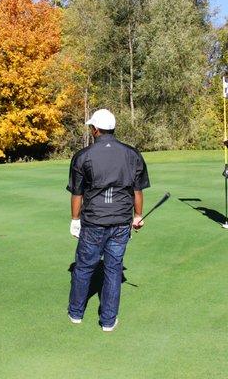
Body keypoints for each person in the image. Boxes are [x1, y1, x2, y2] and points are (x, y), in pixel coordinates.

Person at [66, 109, 150, 332]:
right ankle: (108, 321)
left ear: (95, 129)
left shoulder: (83, 156)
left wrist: (75, 220)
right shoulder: (132, 154)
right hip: (122, 222)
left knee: (84, 267)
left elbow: (77, 193)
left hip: (93, 221)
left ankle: (76, 313)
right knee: (113, 270)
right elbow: (137, 191)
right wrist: (138, 216)